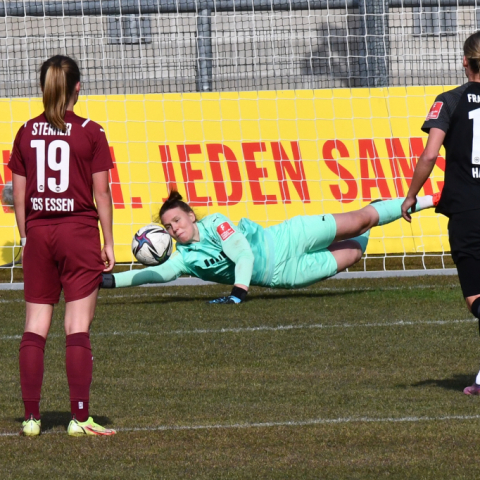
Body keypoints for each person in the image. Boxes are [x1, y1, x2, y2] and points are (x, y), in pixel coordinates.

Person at [8, 55, 116, 436]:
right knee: (76, 326)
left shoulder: (24, 131)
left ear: (43, 88)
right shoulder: (91, 131)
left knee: (35, 326)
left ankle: (32, 419)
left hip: (38, 234)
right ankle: (80, 418)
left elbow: (18, 197)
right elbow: (101, 194)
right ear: (77, 89)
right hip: (78, 232)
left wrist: (26, 237)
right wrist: (110, 243)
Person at [102, 189, 440, 303]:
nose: (174, 229)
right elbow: (156, 275)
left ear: (190, 216)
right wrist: (110, 280)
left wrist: (238, 292)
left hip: (288, 237)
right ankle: (384, 210)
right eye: (168, 227)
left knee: (362, 219)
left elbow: (244, 254)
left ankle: (430, 199)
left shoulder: (217, 221)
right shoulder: (186, 260)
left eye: (177, 220)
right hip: (285, 275)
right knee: (354, 251)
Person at [401, 31, 480, 396]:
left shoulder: (449, 101)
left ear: (465, 61)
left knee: (475, 298)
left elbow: (430, 155)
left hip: (468, 209)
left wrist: (411, 195)